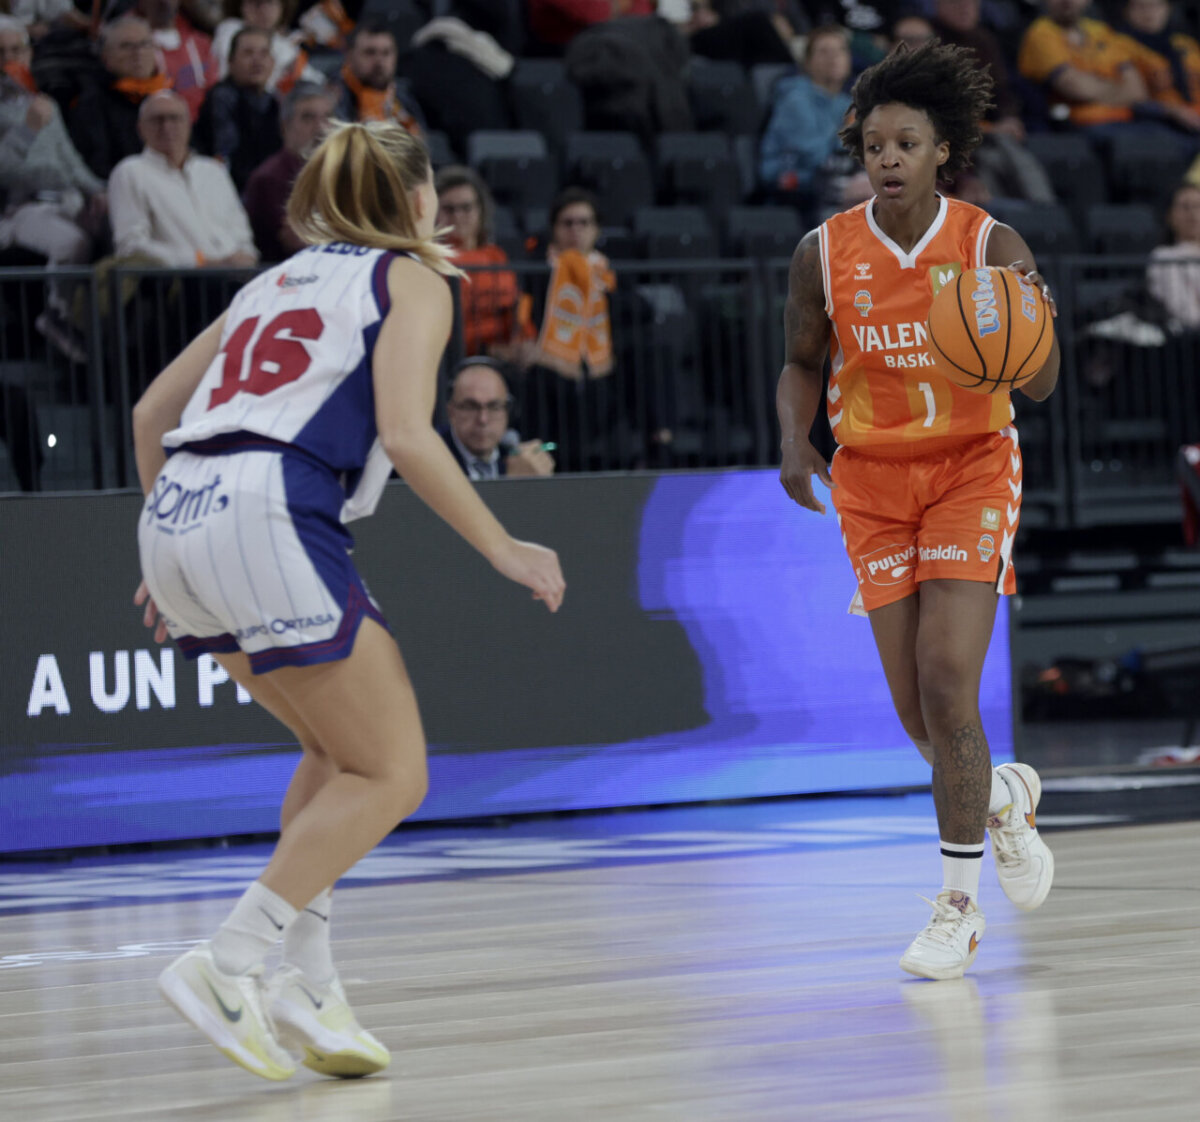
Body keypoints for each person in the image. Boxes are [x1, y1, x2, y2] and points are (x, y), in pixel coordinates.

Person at [133, 118, 564, 1080]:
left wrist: (171, 533)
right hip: (272, 503)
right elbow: (410, 435)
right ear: (417, 201)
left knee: (335, 754)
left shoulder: (267, 282)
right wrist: (502, 542)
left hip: (183, 507)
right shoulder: (412, 275)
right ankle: (231, 962)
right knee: (395, 773)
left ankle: (310, 986)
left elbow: (151, 415)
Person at [776, 40, 1058, 981]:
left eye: (905, 142)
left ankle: (958, 906)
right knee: (919, 715)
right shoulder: (823, 251)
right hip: (871, 484)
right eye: (873, 144)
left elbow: (1046, 382)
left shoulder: (989, 246)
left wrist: (1022, 331)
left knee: (946, 678)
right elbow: (803, 361)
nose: (886, 157)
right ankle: (1005, 799)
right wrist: (792, 438)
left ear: (944, 151)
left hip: (973, 466)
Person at [108, 89, 258, 267]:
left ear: (189, 124)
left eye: (175, 118)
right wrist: (199, 261)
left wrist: (246, 255)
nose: (166, 126)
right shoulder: (130, 172)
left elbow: (242, 233)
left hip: (237, 276)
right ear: (140, 128)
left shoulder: (213, 171)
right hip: (179, 282)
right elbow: (131, 246)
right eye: (157, 119)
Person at [435, 164, 532, 360]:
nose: (458, 216)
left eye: (466, 208)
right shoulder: (430, 259)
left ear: (481, 210)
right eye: (449, 209)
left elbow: (516, 306)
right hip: (454, 358)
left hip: (505, 356)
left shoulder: (496, 255)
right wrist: (487, 350)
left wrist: (525, 339)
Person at [759, 24, 853, 219]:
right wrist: (847, 133)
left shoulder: (848, 102)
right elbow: (814, 156)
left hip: (836, 180)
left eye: (840, 50)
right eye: (824, 51)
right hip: (798, 187)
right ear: (807, 63)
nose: (833, 57)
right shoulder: (795, 99)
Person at [68, 15, 170, 179]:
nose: (138, 53)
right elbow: (98, 167)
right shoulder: (91, 104)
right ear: (105, 57)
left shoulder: (167, 96)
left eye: (145, 44)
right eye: (127, 46)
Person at [241, 80, 330, 262]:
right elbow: (296, 240)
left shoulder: (339, 173)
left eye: (327, 117)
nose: (321, 128)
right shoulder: (270, 178)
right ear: (285, 126)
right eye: (308, 118)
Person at [194, 24, 281, 191]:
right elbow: (230, 160)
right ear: (230, 62)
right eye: (248, 53)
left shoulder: (274, 102)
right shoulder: (222, 98)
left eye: (264, 53)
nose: (257, 61)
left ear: (272, 62)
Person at [441, 357, 556, 480]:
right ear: (451, 412)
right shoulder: (432, 458)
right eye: (471, 406)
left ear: (508, 411)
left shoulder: (515, 457)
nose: (483, 419)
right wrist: (512, 485)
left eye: (494, 407)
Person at [329, 18, 424, 134]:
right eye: (370, 52)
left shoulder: (406, 95)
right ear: (350, 56)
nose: (379, 61)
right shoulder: (332, 96)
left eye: (386, 53)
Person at [211, 0, 324, 94]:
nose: (263, 10)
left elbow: (316, 82)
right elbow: (231, 74)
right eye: (256, 3)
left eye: (270, 3)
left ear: (282, 7)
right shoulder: (229, 29)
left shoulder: (284, 44)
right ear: (241, 6)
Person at [136, 0, 219, 119]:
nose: (163, 2)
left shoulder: (201, 43)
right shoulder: (137, 48)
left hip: (202, 126)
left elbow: (213, 89)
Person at [1147, 181, 1200, 330]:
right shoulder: (1164, 257)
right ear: (1170, 216)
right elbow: (1184, 312)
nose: (1193, 214)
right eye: (1185, 207)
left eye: (1198, 206)